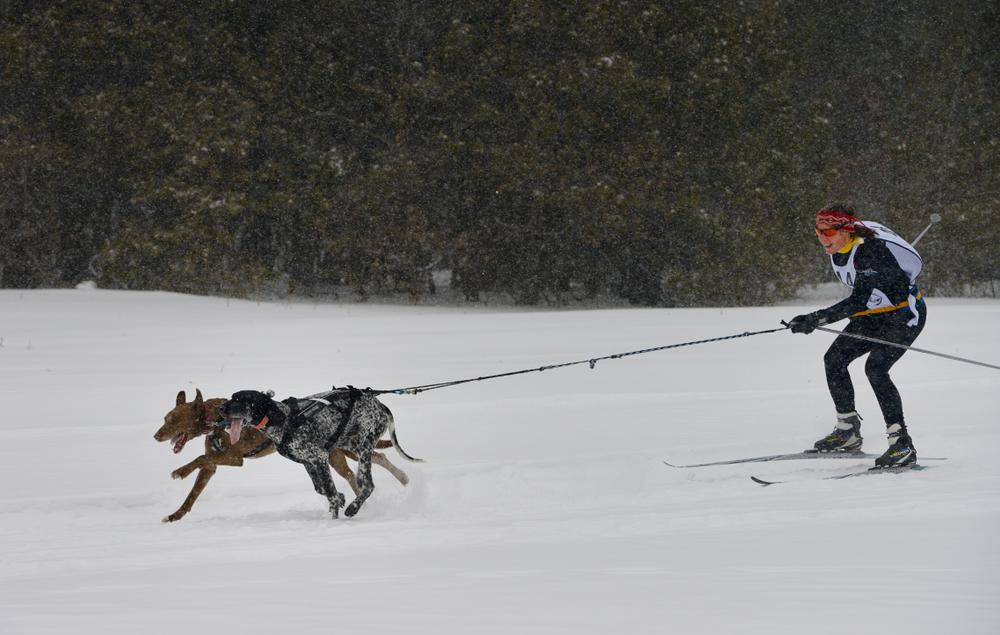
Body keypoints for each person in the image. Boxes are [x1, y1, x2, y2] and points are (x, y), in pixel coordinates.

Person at [787, 206, 927, 468]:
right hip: (872, 314)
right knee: (834, 359)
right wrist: (814, 319)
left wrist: (815, 319)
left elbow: (857, 301)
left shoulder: (869, 250)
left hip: (903, 315)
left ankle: (901, 444)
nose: (822, 237)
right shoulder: (838, 249)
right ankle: (847, 431)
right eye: (818, 231)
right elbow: (863, 302)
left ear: (846, 230)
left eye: (828, 231)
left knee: (876, 368)